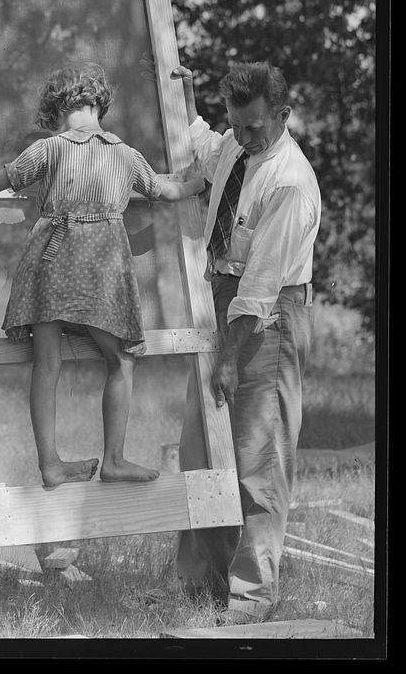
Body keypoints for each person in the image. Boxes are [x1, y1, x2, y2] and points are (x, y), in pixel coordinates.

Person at [0, 63, 205, 492]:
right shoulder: (126, 155)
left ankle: (50, 464)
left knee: (47, 363)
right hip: (103, 267)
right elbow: (165, 191)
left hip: (52, 259)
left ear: (58, 107)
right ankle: (114, 458)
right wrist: (196, 183)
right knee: (120, 361)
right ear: (99, 105)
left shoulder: (48, 149)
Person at [169, 60, 321, 623]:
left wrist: (228, 361)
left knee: (259, 458)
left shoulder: (290, 183)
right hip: (220, 308)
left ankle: (251, 596)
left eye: (256, 126)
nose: (245, 134)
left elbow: (258, 288)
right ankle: (200, 583)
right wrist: (183, 97)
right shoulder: (237, 143)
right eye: (237, 122)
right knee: (203, 449)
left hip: (266, 320)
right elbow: (204, 145)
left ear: (283, 115)